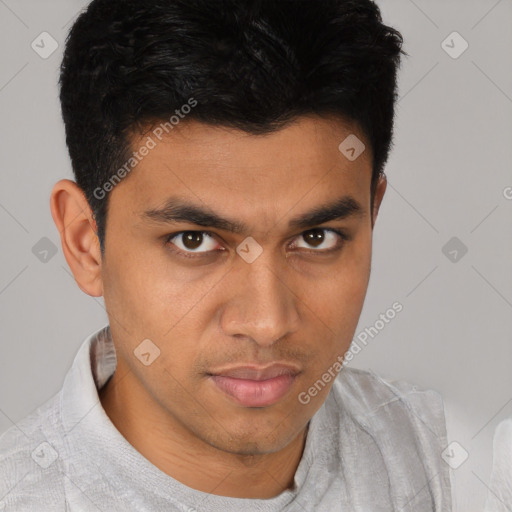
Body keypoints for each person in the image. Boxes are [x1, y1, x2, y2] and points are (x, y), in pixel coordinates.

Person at [0, 0, 452, 510]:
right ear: (86, 243)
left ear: (372, 217)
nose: (266, 323)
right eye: (194, 240)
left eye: (316, 237)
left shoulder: (446, 459)